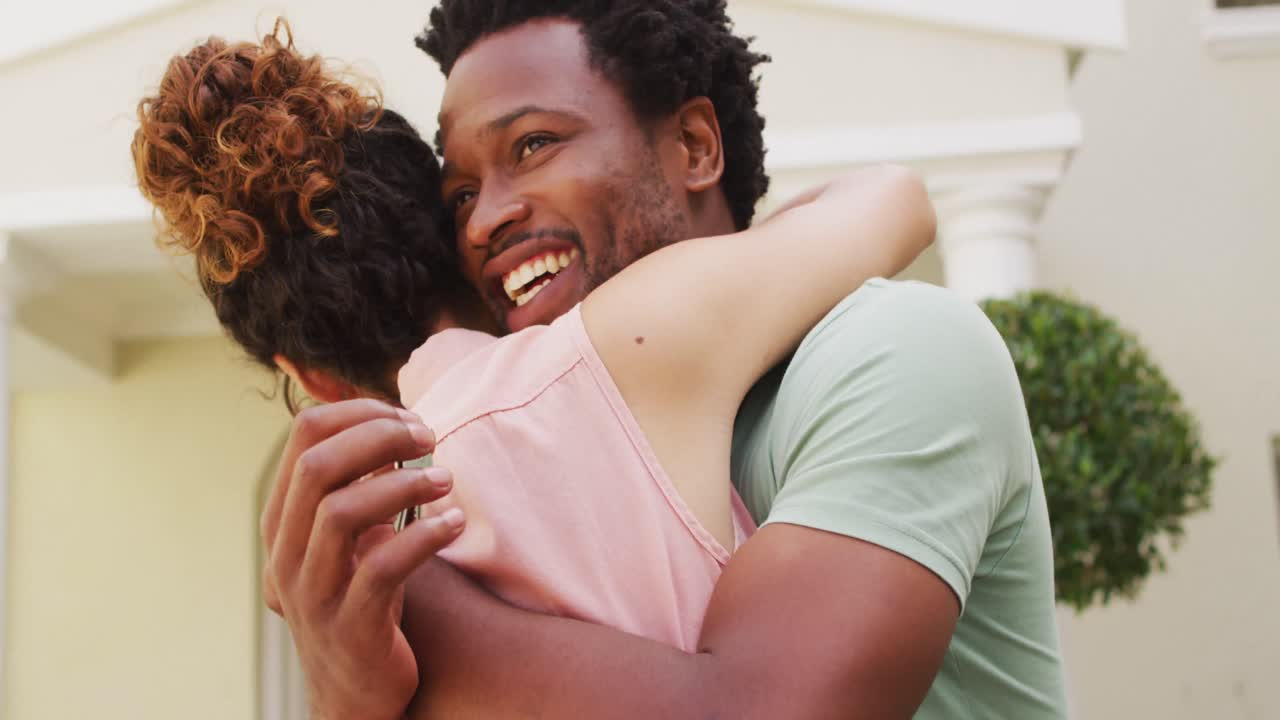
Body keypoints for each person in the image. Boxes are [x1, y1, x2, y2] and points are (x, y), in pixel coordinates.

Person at [263, 2, 1072, 719]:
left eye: (534, 144)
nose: (482, 222)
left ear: (693, 145)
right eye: (462, 195)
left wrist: (410, 602)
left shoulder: (892, 353)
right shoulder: (513, 471)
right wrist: (350, 695)